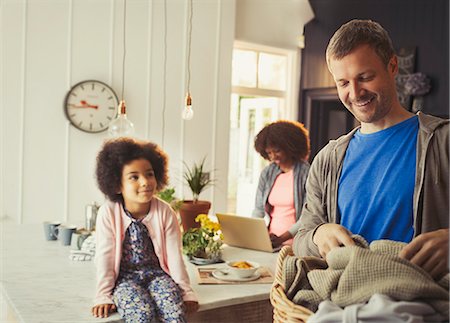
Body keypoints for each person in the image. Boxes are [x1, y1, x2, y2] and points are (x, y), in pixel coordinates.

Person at [293, 19, 449, 280]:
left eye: (365, 77)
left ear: (392, 66)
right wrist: (318, 235)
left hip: (420, 306)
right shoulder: (328, 160)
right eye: (343, 83)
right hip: (344, 303)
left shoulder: (442, 142)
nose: (355, 93)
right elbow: (301, 238)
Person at [91, 137, 198, 321]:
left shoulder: (165, 212)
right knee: (141, 314)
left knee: (175, 311)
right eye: (134, 177)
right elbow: (105, 257)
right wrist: (103, 295)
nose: (145, 182)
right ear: (117, 184)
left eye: (149, 174)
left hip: (158, 275)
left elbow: (175, 257)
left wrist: (186, 291)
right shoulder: (108, 213)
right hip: (124, 279)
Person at [253, 120, 310, 248]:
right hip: (271, 243)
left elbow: (308, 215)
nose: (273, 157)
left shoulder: (307, 173)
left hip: (296, 243)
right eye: (269, 153)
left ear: (290, 147)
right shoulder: (267, 173)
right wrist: (255, 234)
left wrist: (282, 238)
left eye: (277, 151)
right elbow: (258, 210)